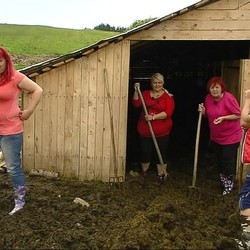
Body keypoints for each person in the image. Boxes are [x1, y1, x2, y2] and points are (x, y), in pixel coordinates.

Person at [0, 47, 43, 215]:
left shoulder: (15, 77)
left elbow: (38, 90)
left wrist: (29, 111)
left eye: (0, 60)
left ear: (6, 61)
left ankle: (19, 201)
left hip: (11, 130)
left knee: (12, 167)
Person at [198, 76, 242, 195]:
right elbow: (209, 114)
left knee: (227, 160)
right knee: (218, 160)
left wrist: (224, 118)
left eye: (217, 87)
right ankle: (223, 182)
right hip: (216, 137)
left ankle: (228, 186)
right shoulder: (208, 98)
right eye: (212, 88)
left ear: (222, 88)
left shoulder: (229, 98)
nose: (214, 90)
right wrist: (203, 112)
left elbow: (238, 115)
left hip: (231, 136)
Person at [132, 72, 175, 181]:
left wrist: (153, 117)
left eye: (159, 82)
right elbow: (136, 103)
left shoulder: (167, 97)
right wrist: (137, 91)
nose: (157, 85)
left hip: (162, 131)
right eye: (155, 83)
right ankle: (145, 173)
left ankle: (161, 174)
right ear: (151, 83)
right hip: (145, 130)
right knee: (145, 151)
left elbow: (168, 112)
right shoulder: (145, 94)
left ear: (163, 83)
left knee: (161, 152)